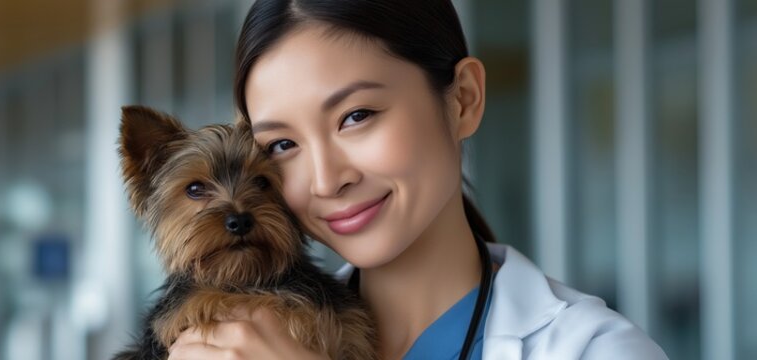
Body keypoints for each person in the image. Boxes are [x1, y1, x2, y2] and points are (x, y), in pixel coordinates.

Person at [166, 0, 667, 359]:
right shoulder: (224, 343)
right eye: (282, 145)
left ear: (463, 99)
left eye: (357, 115)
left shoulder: (595, 350)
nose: (325, 180)